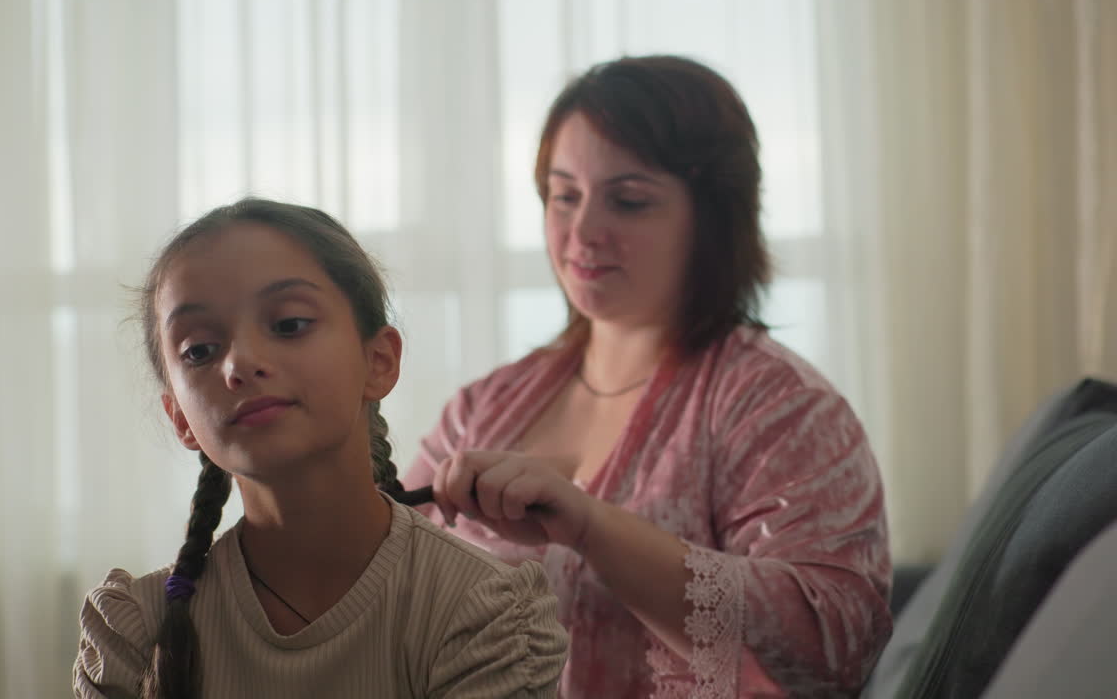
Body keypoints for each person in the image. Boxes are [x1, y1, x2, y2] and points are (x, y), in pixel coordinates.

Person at [402, 55, 893, 698]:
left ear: (711, 218)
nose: (582, 232)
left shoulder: (783, 408)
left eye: (629, 201)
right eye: (564, 195)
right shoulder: (481, 408)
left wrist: (592, 529)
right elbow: (383, 586)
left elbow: (830, 646)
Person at [73, 198, 568, 698]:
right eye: (199, 350)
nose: (239, 362)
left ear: (379, 361)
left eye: (288, 324)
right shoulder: (136, 631)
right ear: (180, 418)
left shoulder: (482, 611)